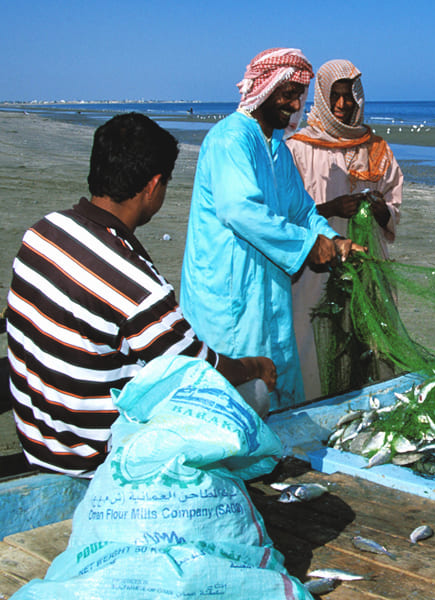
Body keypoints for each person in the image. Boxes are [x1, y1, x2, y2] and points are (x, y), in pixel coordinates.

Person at [5, 113, 277, 477]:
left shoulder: (42, 232)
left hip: (37, 435)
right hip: (88, 456)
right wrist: (255, 366)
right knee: (255, 393)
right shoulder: (136, 286)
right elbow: (203, 369)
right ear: (152, 186)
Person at [180, 48, 357, 410]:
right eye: (287, 95)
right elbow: (238, 210)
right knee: (229, 399)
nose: (294, 106)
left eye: (298, 96)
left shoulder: (277, 146)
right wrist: (309, 246)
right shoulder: (231, 139)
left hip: (268, 292)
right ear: (264, 90)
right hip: (227, 295)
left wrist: (333, 239)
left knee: (273, 392)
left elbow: (302, 209)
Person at [286, 59, 403, 397]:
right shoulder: (299, 148)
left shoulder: (376, 148)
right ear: (322, 98)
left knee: (371, 342)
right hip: (315, 268)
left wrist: (381, 211)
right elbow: (287, 214)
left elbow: (394, 206)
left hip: (369, 265)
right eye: (334, 96)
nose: (342, 105)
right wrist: (330, 209)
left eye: (349, 96)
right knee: (315, 340)